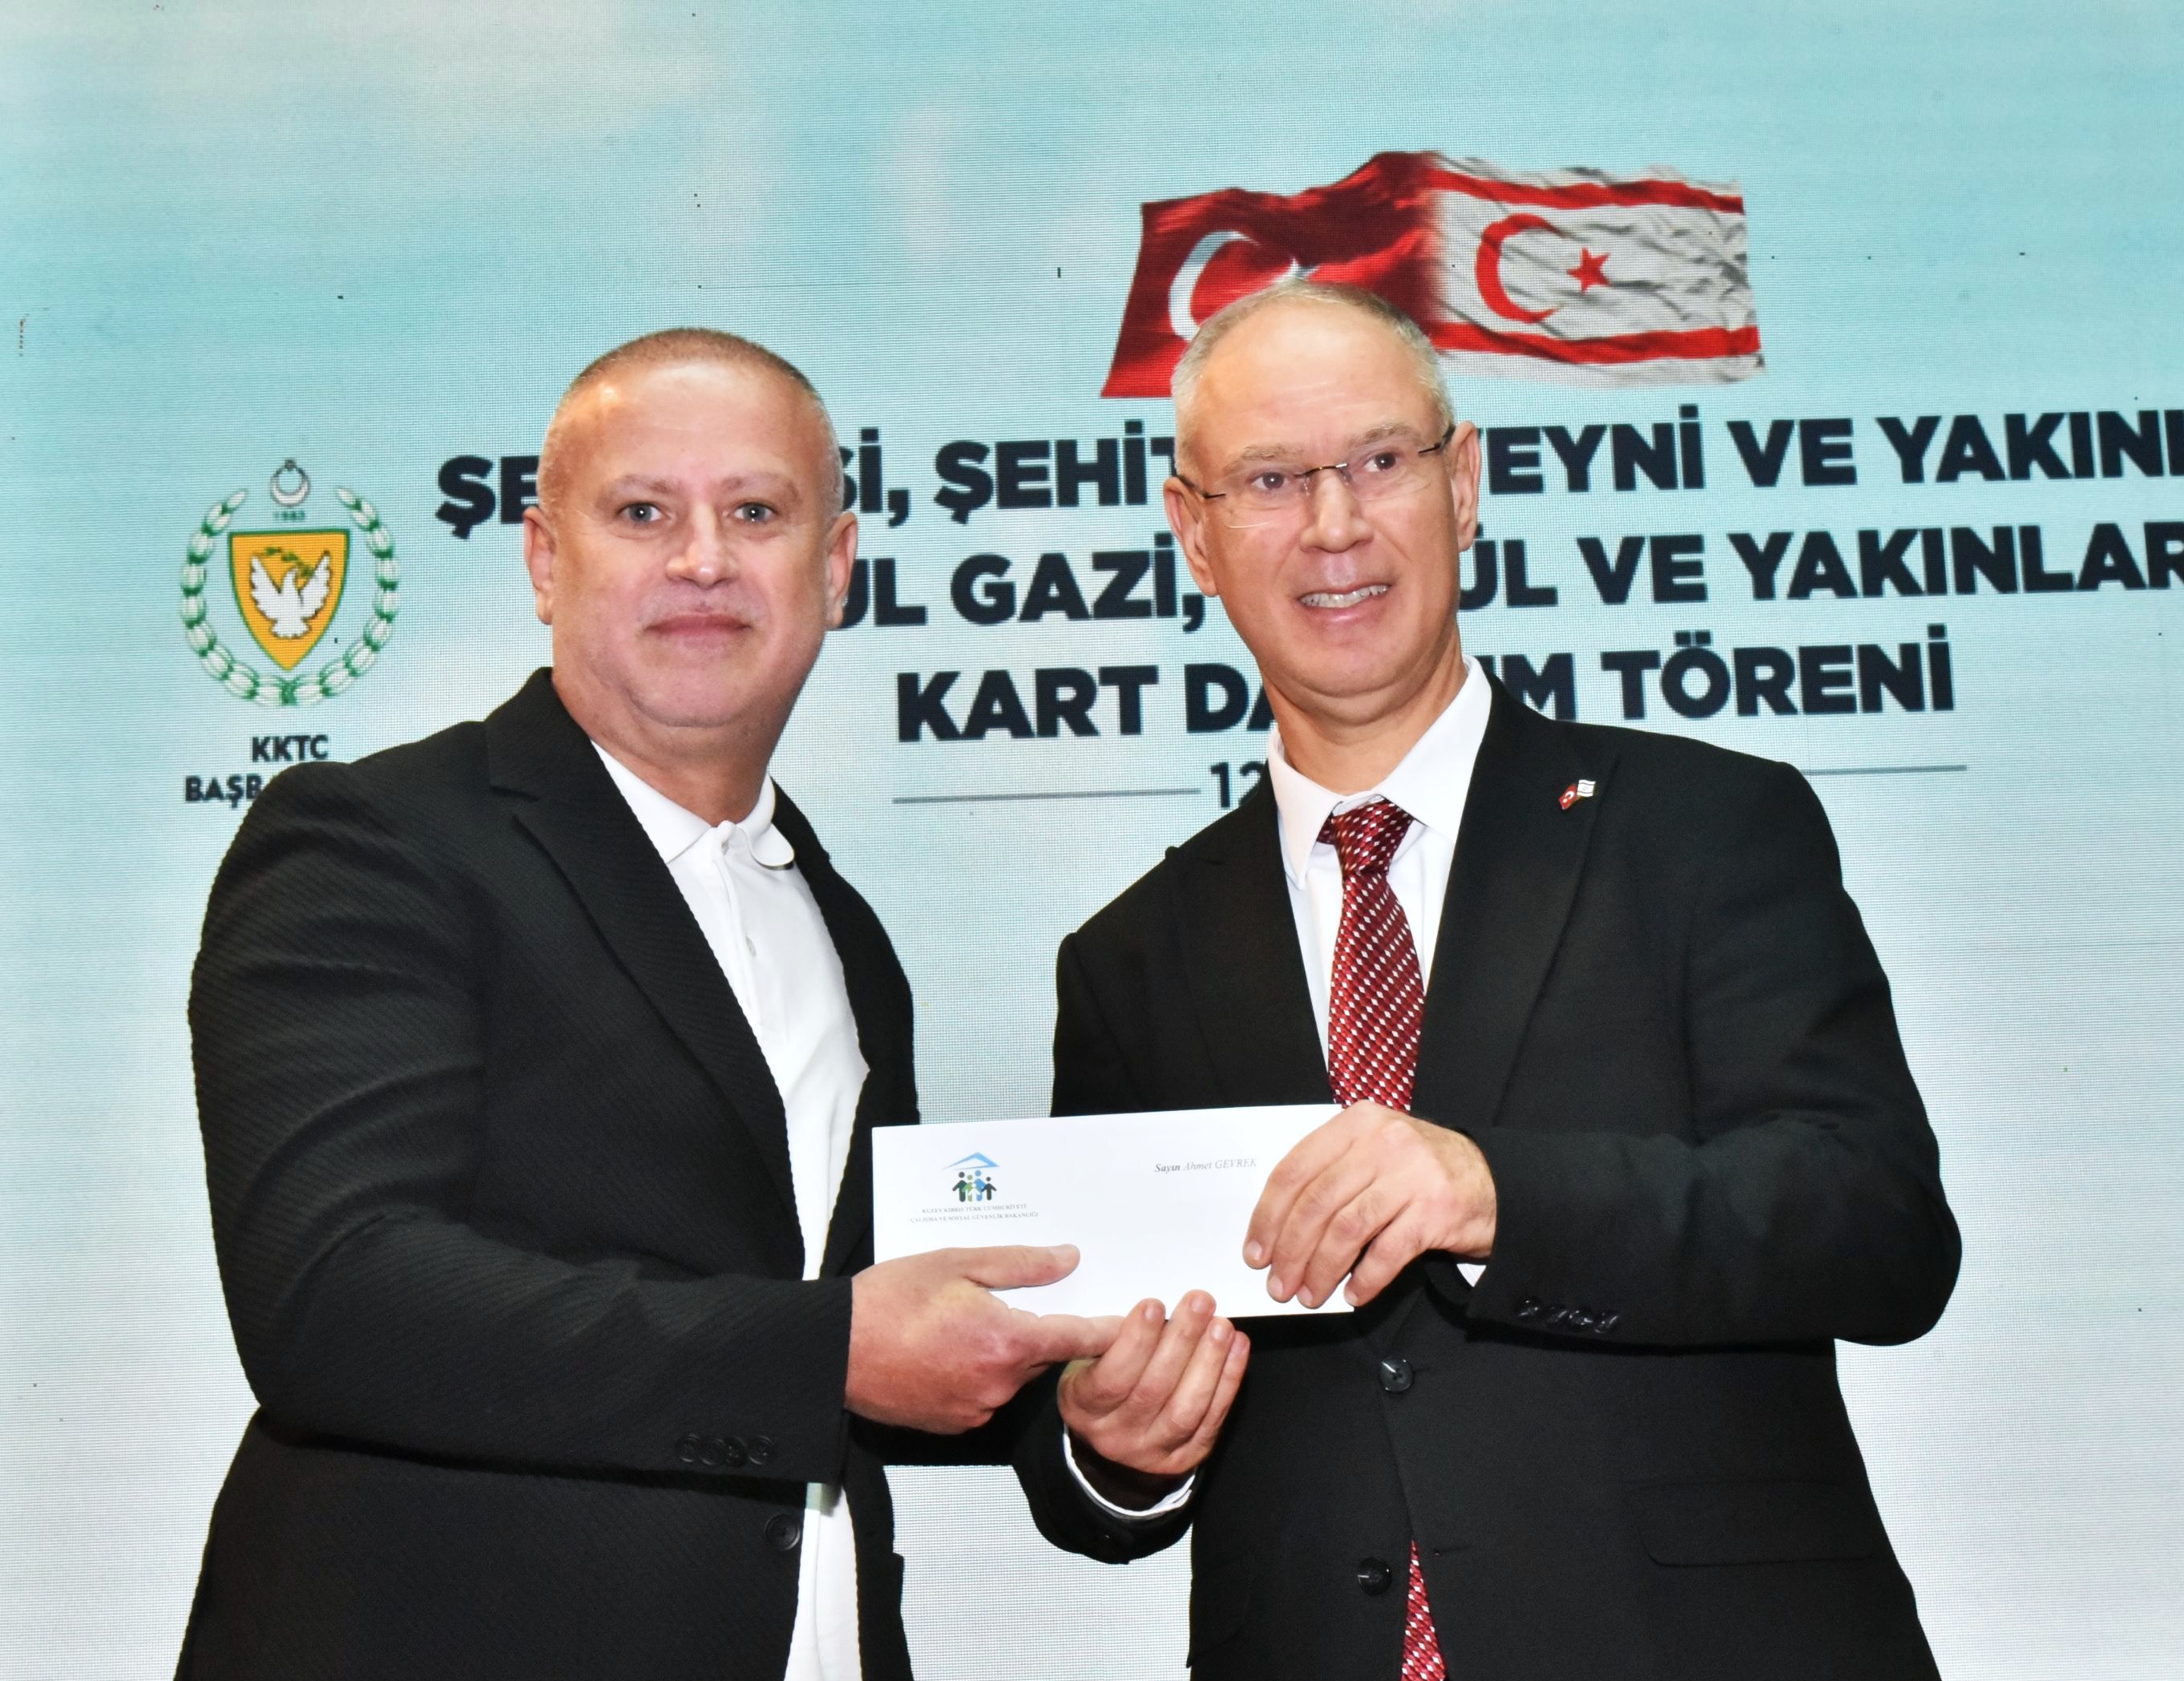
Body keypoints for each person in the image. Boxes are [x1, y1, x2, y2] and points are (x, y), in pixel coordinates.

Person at [1010, 280, 1961, 1681]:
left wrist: (1493, 1193)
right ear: (1193, 534)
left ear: (1462, 485)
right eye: (1269, 480)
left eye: (1378, 460)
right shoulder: (1130, 960)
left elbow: (1876, 1230)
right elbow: (1078, 1444)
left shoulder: (1703, 827)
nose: (1333, 524)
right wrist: (1110, 1444)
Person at [180, 328, 1116, 1681]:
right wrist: (826, 1352)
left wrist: (1094, 1425)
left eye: (756, 512)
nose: (703, 559)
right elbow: (335, 1295)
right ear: (543, 558)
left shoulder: (842, 933)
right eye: (641, 513)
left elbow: (863, 1344)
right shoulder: (376, 839)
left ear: (835, 566)